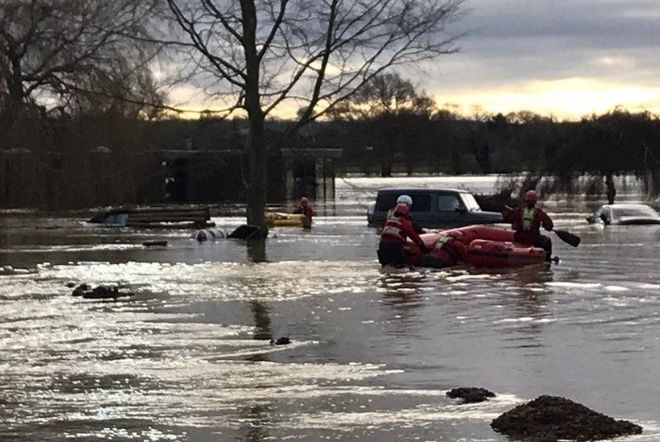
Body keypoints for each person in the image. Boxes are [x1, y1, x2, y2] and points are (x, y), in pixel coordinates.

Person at [503, 190, 554, 261]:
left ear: (526, 201)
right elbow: (549, 226)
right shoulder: (539, 213)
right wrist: (544, 225)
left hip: (519, 237)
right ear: (535, 201)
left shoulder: (518, 210)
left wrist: (508, 214)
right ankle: (547, 259)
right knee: (547, 241)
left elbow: (507, 219)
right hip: (533, 238)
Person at [378, 203, 429, 267]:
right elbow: (414, 237)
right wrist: (423, 247)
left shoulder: (389, 220)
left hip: (382, 246)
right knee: (399, 266)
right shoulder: (405, 223)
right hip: (395, 247)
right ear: (406, 213)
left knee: (386, 266)